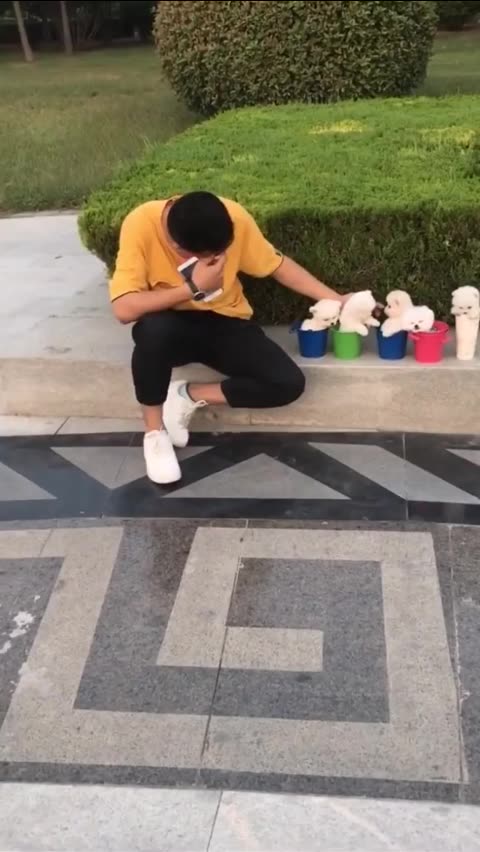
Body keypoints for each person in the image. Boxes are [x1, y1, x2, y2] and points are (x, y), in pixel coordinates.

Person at [110, 192, 350, 484]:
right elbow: (123, 309)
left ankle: (187, 395)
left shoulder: (232, 215)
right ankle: (154, 434)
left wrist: (337, 299)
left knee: (287, 383)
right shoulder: (141, 223)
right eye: (205, 256)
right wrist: (193, 288)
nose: (214, 260)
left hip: (226, 320)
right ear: (177, 246)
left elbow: (278, 266)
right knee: (152, 332)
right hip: (171, 327)